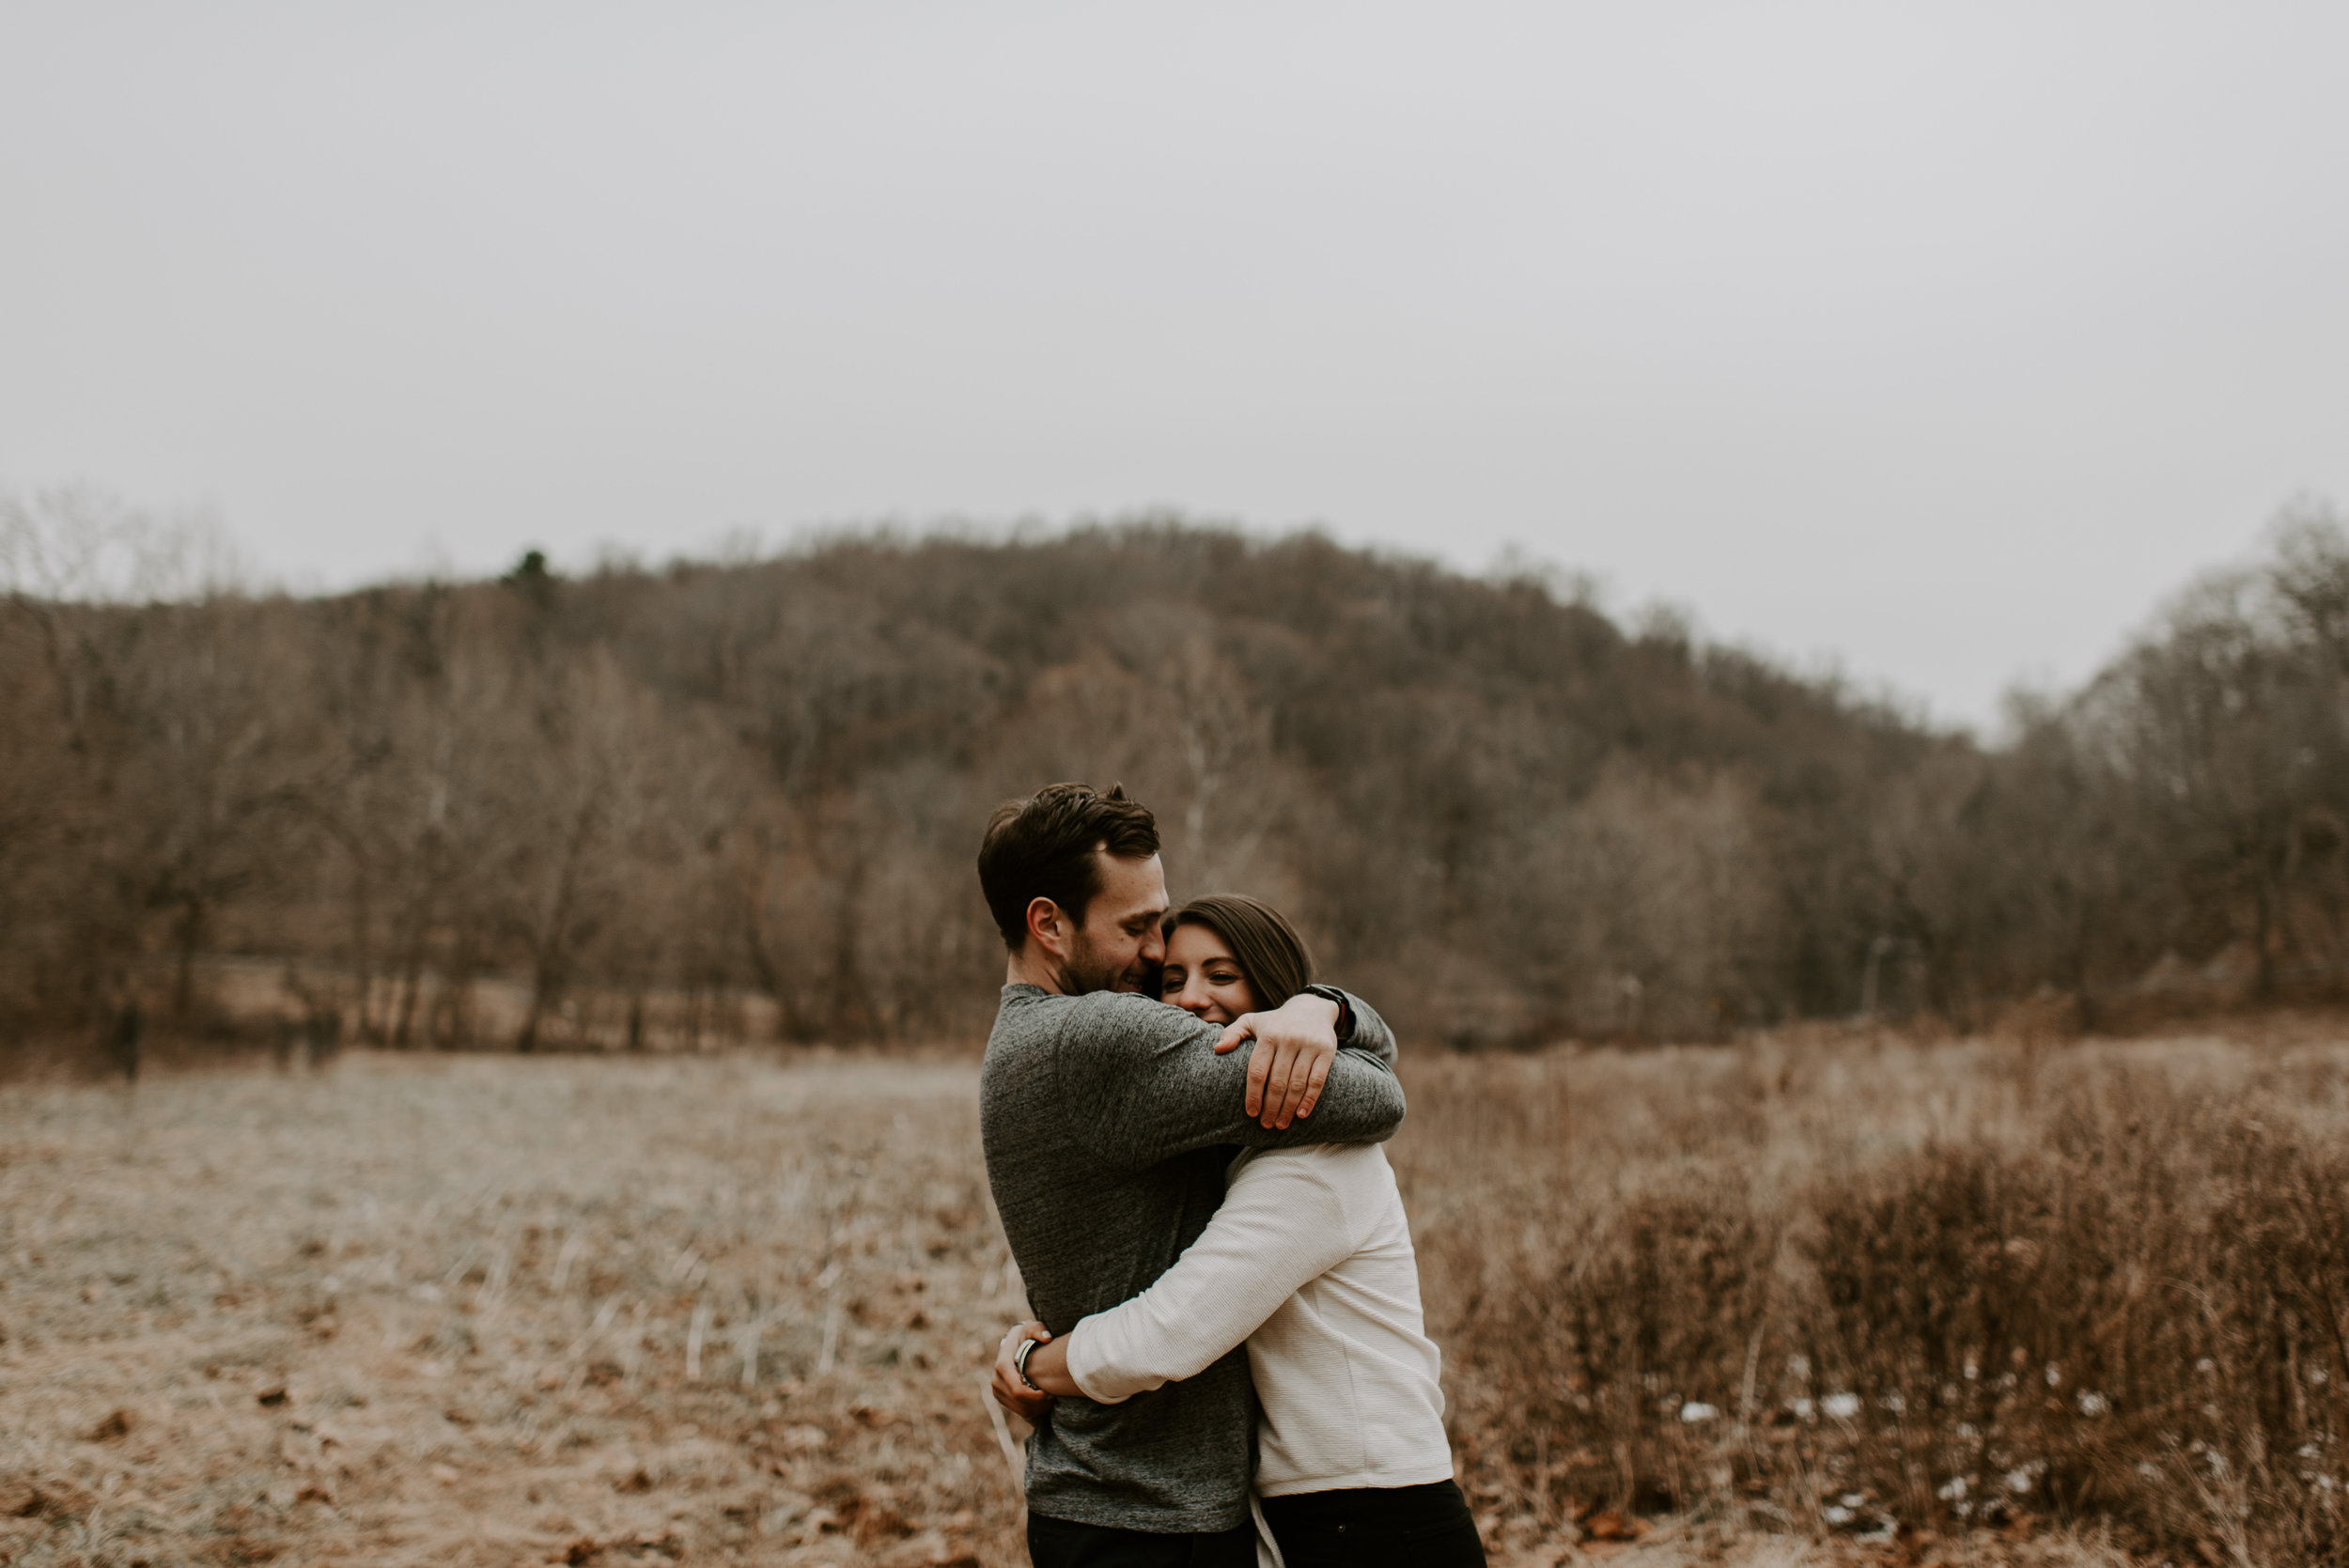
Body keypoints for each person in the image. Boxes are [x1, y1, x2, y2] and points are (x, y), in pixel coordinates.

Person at [977, 784, 1408, 1567]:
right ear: (1048, 923)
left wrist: (1323, 1008)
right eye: (1136, 926)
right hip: (1151, 1519)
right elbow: (1375, 1094)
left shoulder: (1020, 1041)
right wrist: (1328, 1013)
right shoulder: (1102, 1036)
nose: (1154, 953)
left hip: (1101, 1496)